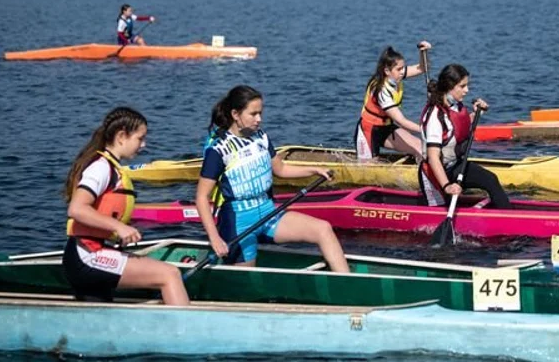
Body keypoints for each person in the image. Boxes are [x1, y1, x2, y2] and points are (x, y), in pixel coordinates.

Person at [195, 85, 349, 271]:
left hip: (269, 214)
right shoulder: (218, 150)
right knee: (245, 281)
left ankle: (348, 282)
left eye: (260, 113)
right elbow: (202, 198)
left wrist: (314, 170)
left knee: (323, 229)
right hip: (239, 223)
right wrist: (215, 239)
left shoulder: (262, 138)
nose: (259, 119)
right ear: (235, 114)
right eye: (253, 114)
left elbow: (281, 169)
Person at [63, 107, 189, 305]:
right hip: (87, 255)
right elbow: (77, 209)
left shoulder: (111, 167)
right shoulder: (101, 168)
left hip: (93, 252)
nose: (143, 145)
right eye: (140, 138)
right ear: (122, 136)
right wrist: (119, 227)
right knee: (169, 274)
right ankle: (186, 332)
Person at [419, 64, 512, 209]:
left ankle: (508, 218)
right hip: (434, 175)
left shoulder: (456, 105)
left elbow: (456, 127)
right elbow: (433, 157)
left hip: (455, 166)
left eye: (467, 85)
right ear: (450, 86)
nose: (467, 90)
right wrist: (447, 186)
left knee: (490, 179)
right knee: (444, 208)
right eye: (462, 86)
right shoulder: (435, 117)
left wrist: (477, 113)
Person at [355, 42, 432, 161]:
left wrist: (423, 52)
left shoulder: (396, 76)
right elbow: (401, 121)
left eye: (403, 68)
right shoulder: (381, 91)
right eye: (399, 69)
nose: (402, 72)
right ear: (387, 71)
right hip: (369, 130)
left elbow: (423, 68)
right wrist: (425, 130)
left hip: (386, 128)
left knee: (420, 147)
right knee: (372, 167)